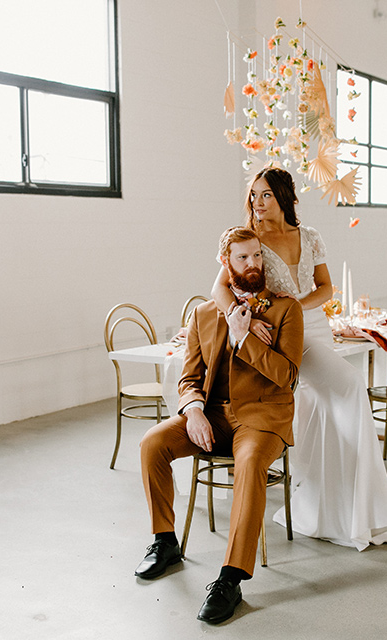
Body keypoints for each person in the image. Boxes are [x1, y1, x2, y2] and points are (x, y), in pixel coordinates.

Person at [211, 167, 387, 551]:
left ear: (284, 197)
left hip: (317, 330)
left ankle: (341, 506)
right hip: (287, 338)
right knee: (351, 387)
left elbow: (326, 288)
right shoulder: (251, 240)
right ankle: (361, 505)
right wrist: (245, 322)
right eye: (253, 195)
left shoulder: (310, 236)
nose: (257, 202)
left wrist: (297, 308)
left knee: (329, 410)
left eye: (265, 194)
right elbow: (218, 289)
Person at [135, 226, 303, 625]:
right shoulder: (204, 314)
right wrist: (192, 410)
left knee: (247, 466)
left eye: (257, 256)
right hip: (211, 416)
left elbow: (289, 376)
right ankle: (164, 542)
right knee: (151, 443)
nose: (253, 264)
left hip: (262, 418)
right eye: (242, 258)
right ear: (226, 264)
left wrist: (246, 339)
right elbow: (189, 376)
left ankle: (231, 578)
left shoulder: (285, 310)